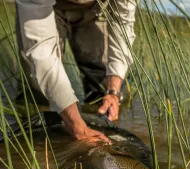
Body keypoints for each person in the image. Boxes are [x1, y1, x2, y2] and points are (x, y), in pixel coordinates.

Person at [15, 0, 136, 142]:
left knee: (100, 84)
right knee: (37, 88)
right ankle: (37, 146)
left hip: (94, 10)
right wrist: (76, 125)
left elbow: (123, 28)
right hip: (45, 9)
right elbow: (42, 52)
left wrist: (113, 91)